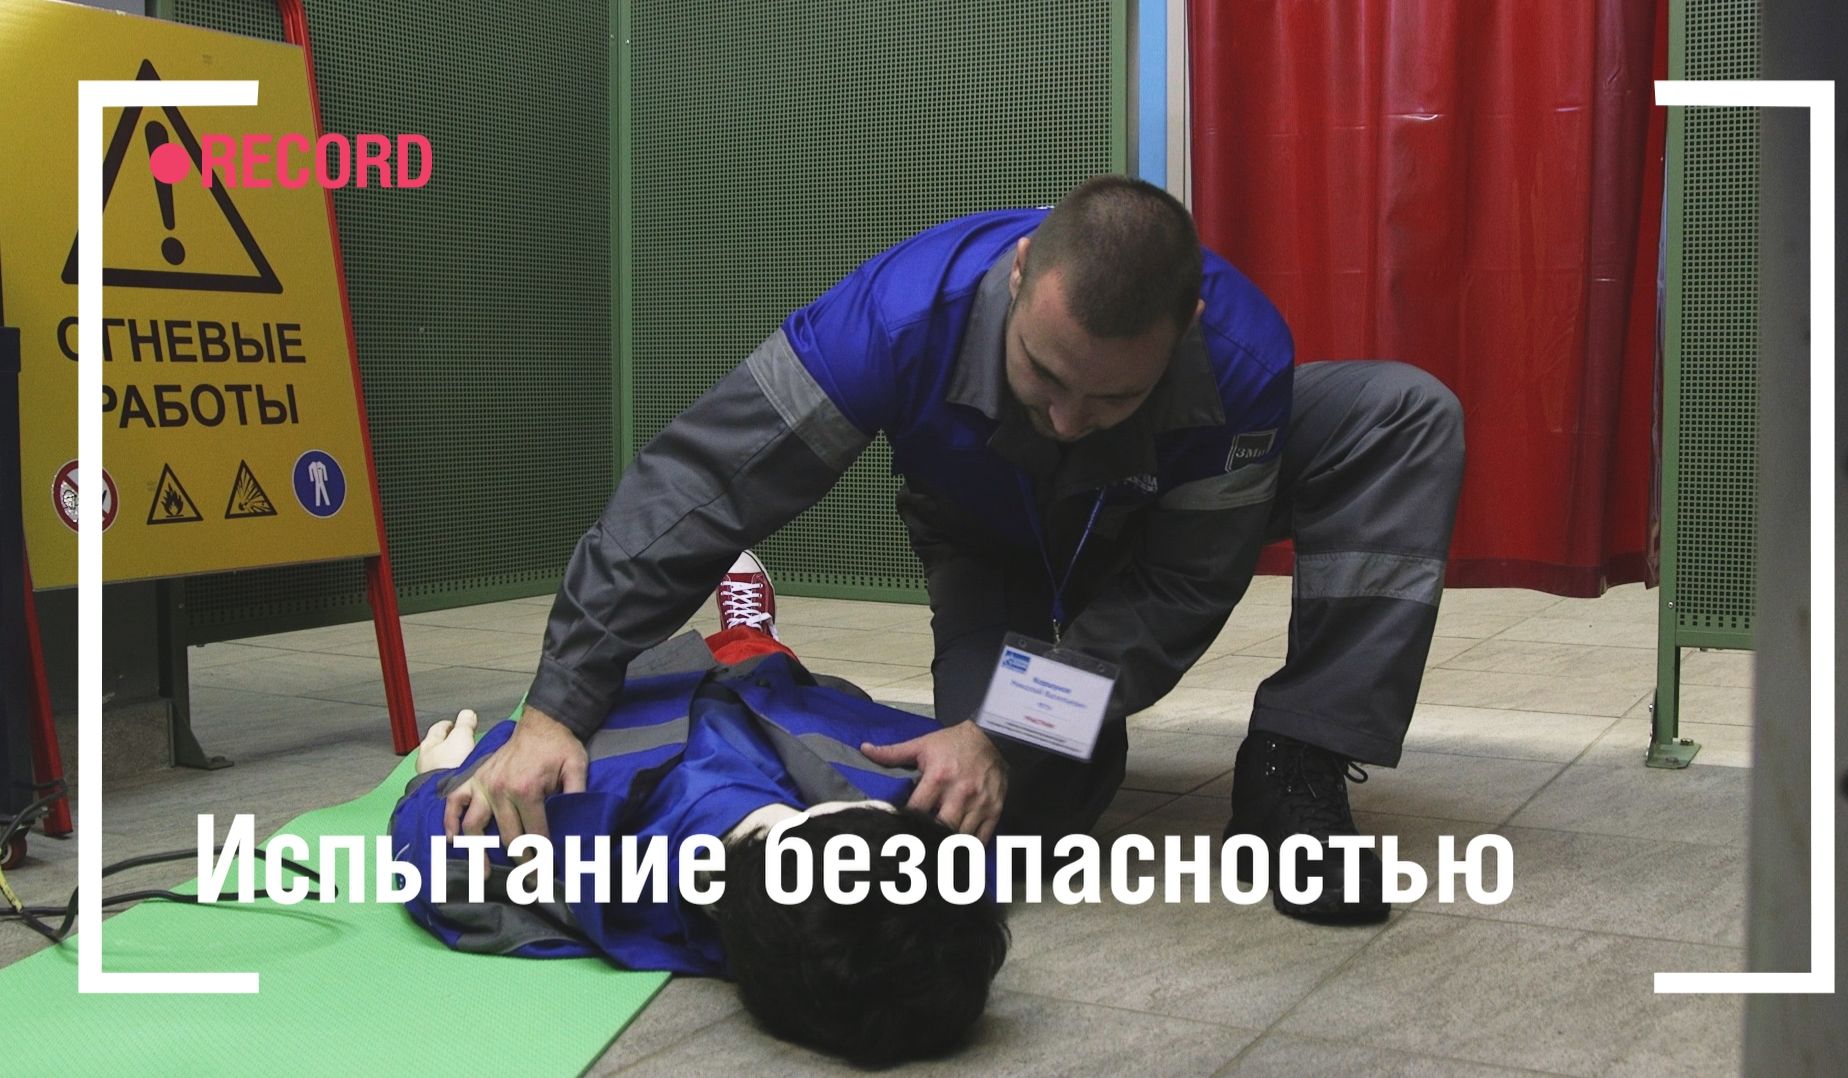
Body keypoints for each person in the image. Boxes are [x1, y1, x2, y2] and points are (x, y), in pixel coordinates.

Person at [448, 175, 1464, 923]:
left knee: (1405, 415)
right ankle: (763, 651)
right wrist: (559, 702)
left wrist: (1001, 728)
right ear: (1020, 277)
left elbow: (1176, 591)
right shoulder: (893, 319)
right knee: (1018, 811)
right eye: (1044, 374)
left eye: (1112, 395)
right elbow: (698, 486)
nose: (1068, 420)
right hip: (995, 543)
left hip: (1148, 525)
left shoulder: (1240, 358)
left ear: (1185, 328)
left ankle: (1295, 761)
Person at [393, 557, 1008, 1066]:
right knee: (763, 661)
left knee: (701, 669)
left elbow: (441, 855)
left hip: (635, 709)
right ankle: (750, 631)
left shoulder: (595, 863)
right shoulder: (795, 936)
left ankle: (744, 634)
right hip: (774, 703)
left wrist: (440, 776)